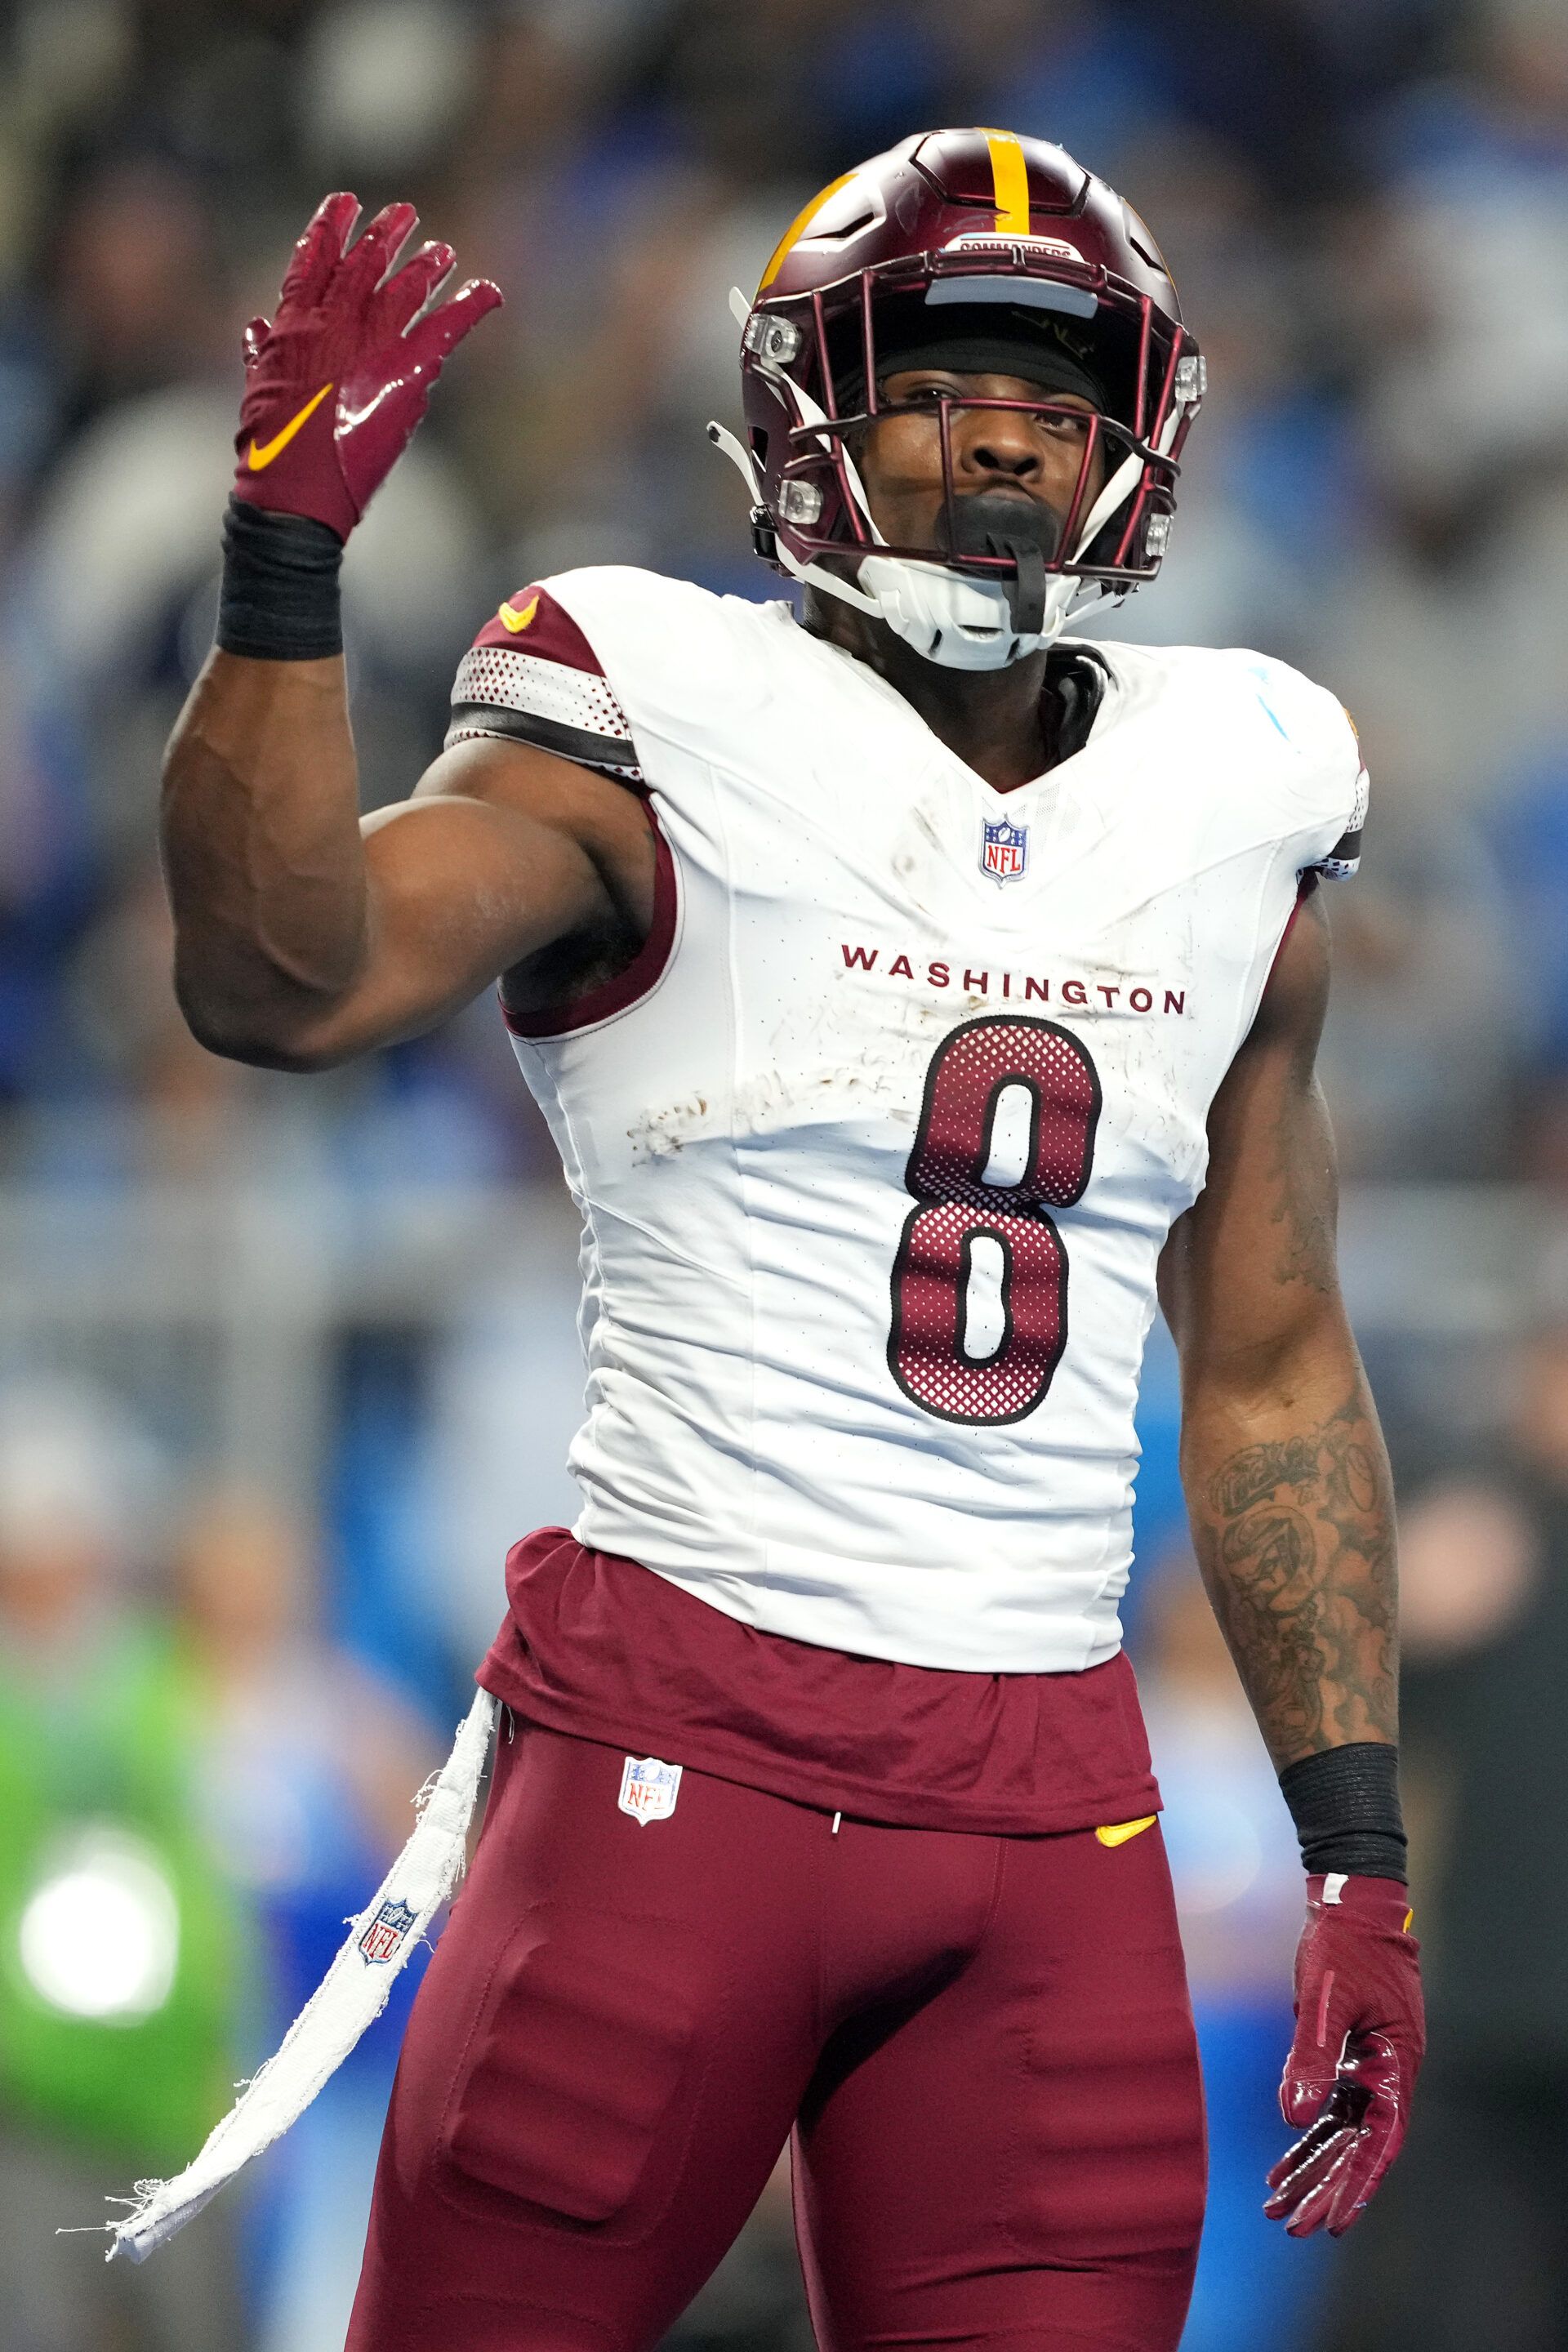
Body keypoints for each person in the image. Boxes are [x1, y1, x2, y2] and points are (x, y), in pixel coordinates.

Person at [149, 132, 1423, 2352]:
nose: (1004, 429)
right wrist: (281, 562)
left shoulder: (1244, 788)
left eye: (1056, 385)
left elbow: (1276, 1362)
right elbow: (281, 978)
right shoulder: (650, 718)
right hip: (681, 1764)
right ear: (814, 408)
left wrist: (1356, 1855)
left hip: (1060, 1815)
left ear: (1142, 430)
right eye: (935, 377)